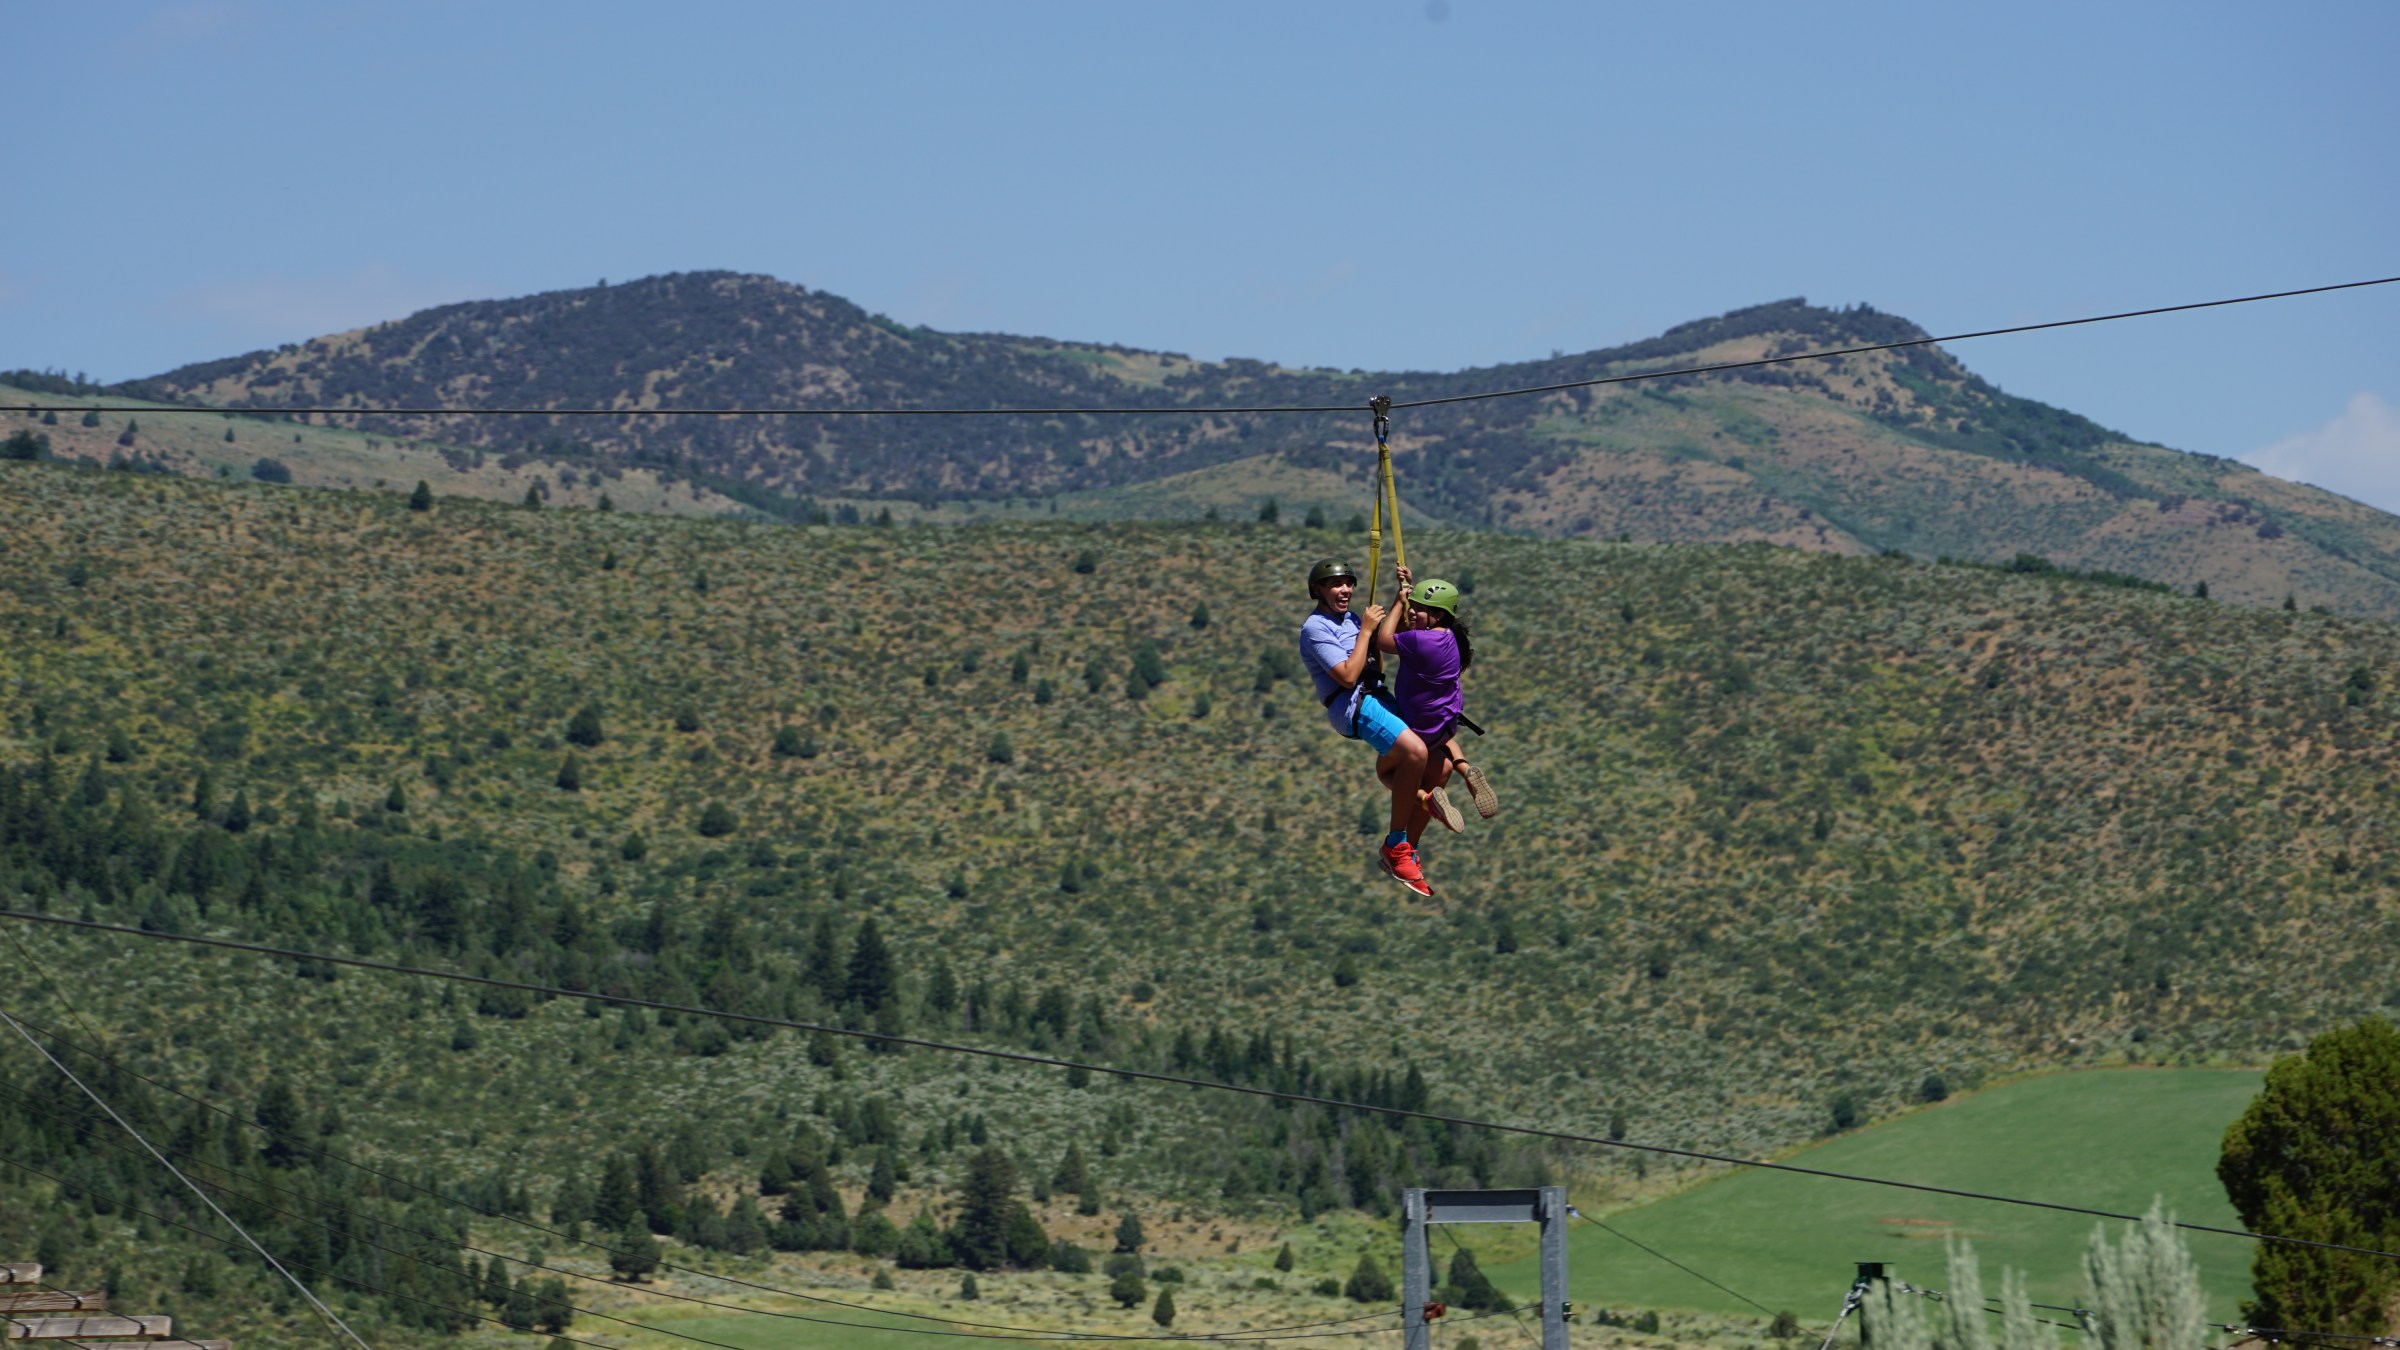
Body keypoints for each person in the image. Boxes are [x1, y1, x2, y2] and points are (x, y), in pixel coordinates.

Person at [1298, 558, 1439, 897]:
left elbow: (1380, 649)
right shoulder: (1316, 628)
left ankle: (1415, 818)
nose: (1344, 590)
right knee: (1415, 751)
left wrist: (1399, 600)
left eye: (1348, 583)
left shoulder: (1350, 619)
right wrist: (1364, 631)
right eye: (1335, 584)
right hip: (1352, 706)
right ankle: (1395, 846)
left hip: (1375, 695)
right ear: (1318, 590)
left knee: (1437, 759)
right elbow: (1347, 675)